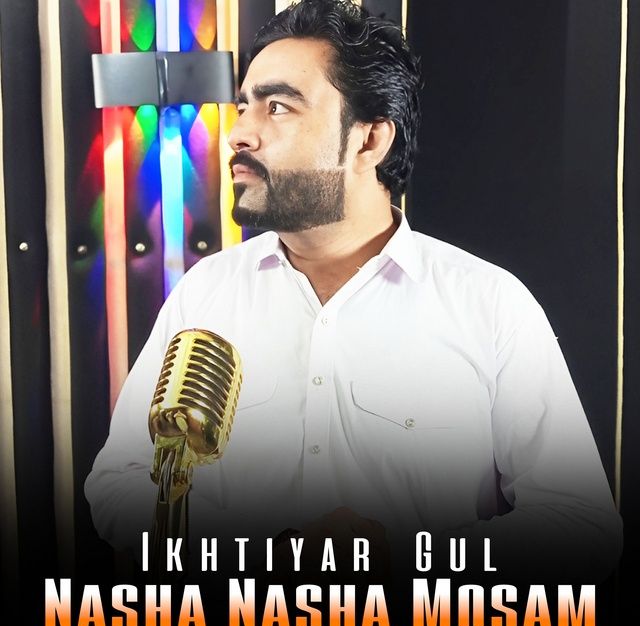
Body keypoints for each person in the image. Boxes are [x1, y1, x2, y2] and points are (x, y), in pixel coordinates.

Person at [85, 0, 621, 595]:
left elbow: (582, 524)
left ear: (369, 140)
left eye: (278, 106)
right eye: (243, 106)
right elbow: (117, 482)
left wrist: (402, 557)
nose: (238, 133)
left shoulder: (489, 305)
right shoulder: (205, 294)